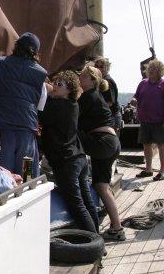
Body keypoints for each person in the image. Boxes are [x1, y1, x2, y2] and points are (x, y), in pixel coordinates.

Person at [0, 32, 48, 176]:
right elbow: (40, 106)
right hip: (27, 132)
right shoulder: (41, 76)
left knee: (3, 176)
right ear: (36, 53)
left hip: (2, 129)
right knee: (27, 177)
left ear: (16, 46)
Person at [40, 70, 99, 233]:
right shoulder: (73, 105)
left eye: (59, 84)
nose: (55, 86)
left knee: (76, 205)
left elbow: (40, 115)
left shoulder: (56, 106)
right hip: (79, 157)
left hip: (66, 162)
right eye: (55, 82)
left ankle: (93, 242)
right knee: (86, 200)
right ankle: (96, 236)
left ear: (69, 90)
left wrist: (44, 89)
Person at [78, 64, 124, 241]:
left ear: (92, 80)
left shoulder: (88, 96)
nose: (80, 77)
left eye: (83, 76)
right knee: (102, 185)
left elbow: (72, 118)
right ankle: (116, 225)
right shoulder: (95, 96)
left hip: (102, 142)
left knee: (101, 186)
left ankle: (117, 228)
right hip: (110, 141)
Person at [134, 58, 164, 181]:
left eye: (154, 68)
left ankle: (162, 171)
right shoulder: (143, 83)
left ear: (160, 71)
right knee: (146, 145)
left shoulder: (163, 84)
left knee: (161, 146)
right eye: (150, 68)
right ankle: (148, 169)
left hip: (159, 121)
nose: (151, 70)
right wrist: (134, 100)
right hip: (144, 120)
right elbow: (136, 97)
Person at [94, 57, 122, 132]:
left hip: (112, 116)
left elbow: (110, 102)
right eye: (96, 66)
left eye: (101, 66)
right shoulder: (100, 81)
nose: (98, 68)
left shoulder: (107, 81)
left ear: (107, 68)